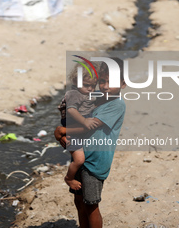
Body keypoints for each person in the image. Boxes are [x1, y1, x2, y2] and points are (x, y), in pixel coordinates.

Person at [54, 57, 126, 228]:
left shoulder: (116, 105)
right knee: (79, 201)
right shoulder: (97, 98)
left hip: (95, 161)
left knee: (91, 204)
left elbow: (89, 128)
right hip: (82, 155)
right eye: (102, 81)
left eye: (111, 82)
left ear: (123, 84)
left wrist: (62, 131)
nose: (106, 86)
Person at [58, 61, 99, 190]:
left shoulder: (86, 93)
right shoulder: (74, 94)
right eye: (87, 85)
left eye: (93, 86)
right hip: (73, 126)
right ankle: (69, 178)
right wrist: (84, 121)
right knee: (79, 159)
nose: (90, 89)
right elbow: (71, 110)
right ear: (75, 81)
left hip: (78, 128)